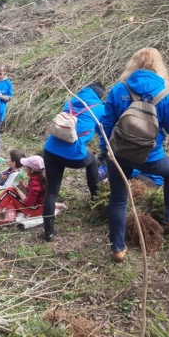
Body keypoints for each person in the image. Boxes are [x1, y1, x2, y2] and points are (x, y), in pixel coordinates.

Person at [99, 47, 169, 263]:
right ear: (158, 66)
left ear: (133, 64)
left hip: (119, 154)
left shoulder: (119, 89)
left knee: (118, 198)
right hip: (150, 157)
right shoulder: (166, 92)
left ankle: (117, 248)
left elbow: (106, 123)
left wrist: (105, 150)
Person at [42, 82, 106, 242]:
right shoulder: (98, 108)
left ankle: (48, 232)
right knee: (91, 161)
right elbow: (101, 132)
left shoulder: (70, 101)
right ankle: (95, 198)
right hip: (73, 154)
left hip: (50, 149)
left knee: (52, 191)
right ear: (100, 96)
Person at [0, 155, 46, 225]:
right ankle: (9, 218)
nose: (24, 168)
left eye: (26, 166)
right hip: (36, 209)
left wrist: (17, 190)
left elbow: (29, 203)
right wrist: (22, 186)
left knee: (9, 191)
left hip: (34, 210)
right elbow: (31, 194)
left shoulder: (35, 183)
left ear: (32, 170)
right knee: (11, 198)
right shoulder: (37, 178)